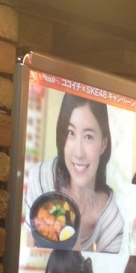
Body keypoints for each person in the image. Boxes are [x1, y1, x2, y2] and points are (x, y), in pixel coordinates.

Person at [26, 94, 123, 253]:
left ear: (103, 144)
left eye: (88, 137)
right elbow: (28, 252)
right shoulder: (40, 179)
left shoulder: (112, 225)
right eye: (71, 133)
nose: (78, 153)